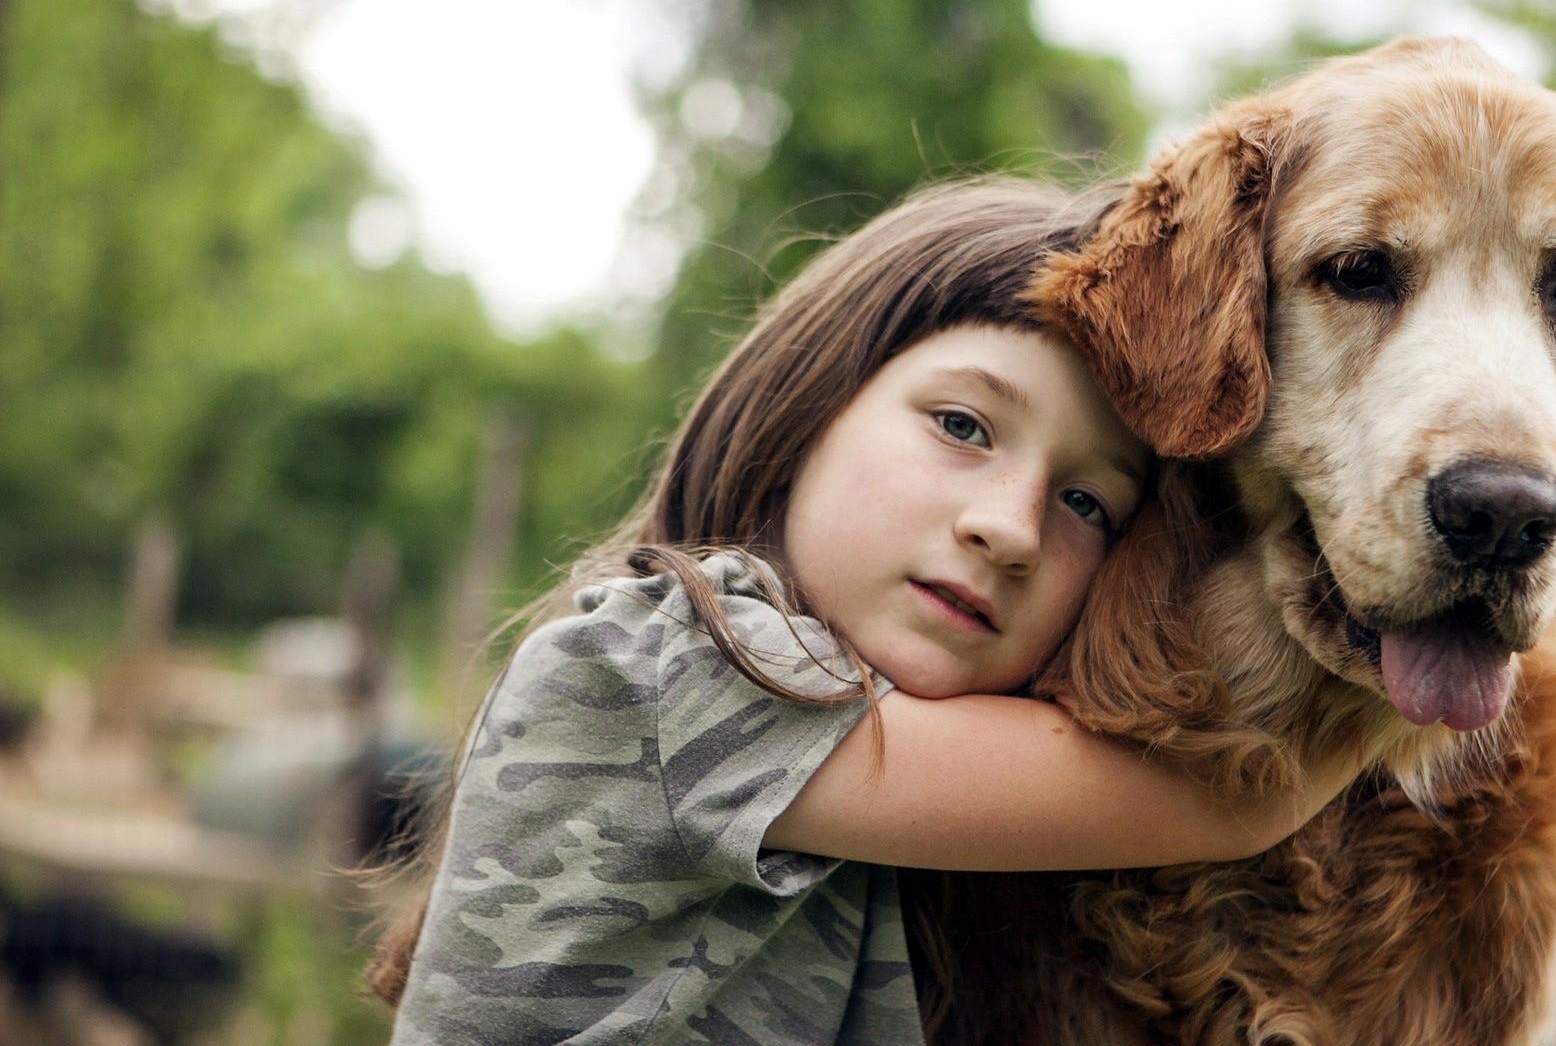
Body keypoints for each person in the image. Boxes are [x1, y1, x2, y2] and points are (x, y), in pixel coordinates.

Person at [369, 180, 1365, 1045]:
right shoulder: (663, 672)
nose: (1011, 529)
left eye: (1085, 503)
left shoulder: (888, 831)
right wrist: (1400, 633)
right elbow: (1238, 798)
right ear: (812, 404)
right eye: (964, 426)